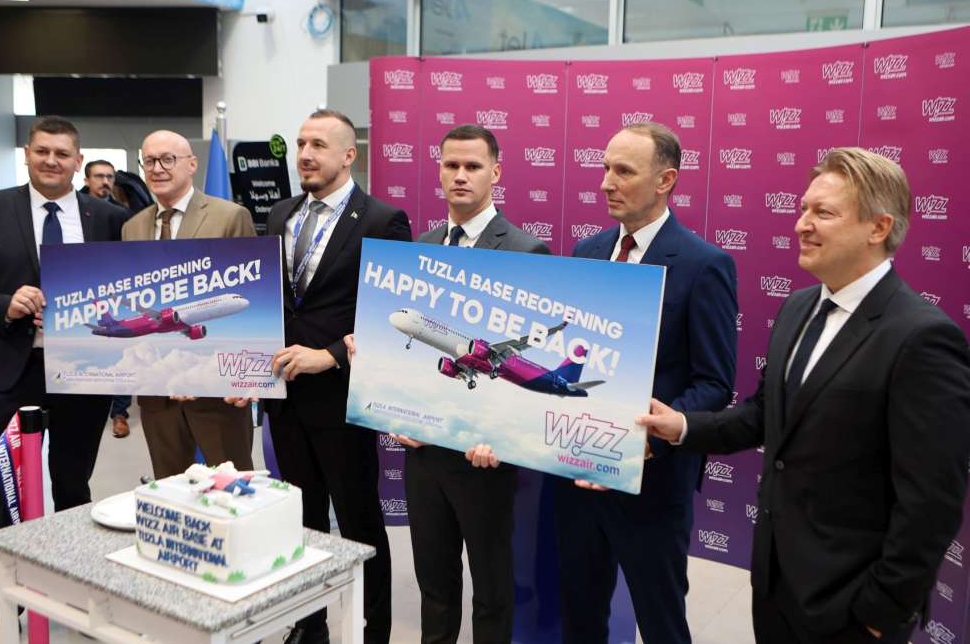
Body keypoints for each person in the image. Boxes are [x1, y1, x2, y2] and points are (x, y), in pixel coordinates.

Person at [638, 147, 970, 644]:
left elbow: (932, 501)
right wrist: (682, 426)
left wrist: (882, 610)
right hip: (775, 585)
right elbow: (764, 415)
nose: (801, 225)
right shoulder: (797, 308)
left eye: (823, 213)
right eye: (802, 209)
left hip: (853, 608)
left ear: (878, 228)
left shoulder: (922, 338)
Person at [554, 122, 738, 643]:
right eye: (605, 168)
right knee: (580, 618)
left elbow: (713, 383)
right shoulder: (588, 252)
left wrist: (645, 438)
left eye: (623, 171)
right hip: (577, 478)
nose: (606, 182)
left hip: (652, 483)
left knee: (661, 623)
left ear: (665, 180)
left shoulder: (704, 265)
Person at [0, 116, 127, 644]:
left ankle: (75, 596)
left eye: (62, 153)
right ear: (27, 154)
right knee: (6, 494)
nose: (51, 160)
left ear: (78, 161)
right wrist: (4, 304)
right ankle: (1, 610)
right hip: (9, 369)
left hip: (83, 372)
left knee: (72, 487)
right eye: (42, 151)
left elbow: (128, 284)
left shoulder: (109, 218)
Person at [389, 124, 549, 644]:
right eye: (451, 165)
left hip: (484, 460)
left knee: (491, 590)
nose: (460, 175)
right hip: (424, 453)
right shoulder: (421, 247)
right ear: (438, 171)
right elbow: (410, 361)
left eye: (473, 166)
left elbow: (528, 358)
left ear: (495, 173)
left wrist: (499, 436)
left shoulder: (526, 250)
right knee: (434, 586)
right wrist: (397, 414)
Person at [264, 109, 412, 644]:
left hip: (343, 399)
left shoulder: (382, 221)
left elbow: (391, 314)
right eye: (301, 143)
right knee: (300, 523)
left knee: (358, 524)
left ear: (349, 155)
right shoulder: (280, 213)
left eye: (318, 146)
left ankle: (373, 632)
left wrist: (329, 355)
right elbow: (274, 302)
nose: (305, 154)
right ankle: (311, 627)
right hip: (283, 398)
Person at [121, 130, 256, 478]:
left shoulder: (230, 216)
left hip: (217, 391)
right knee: (170, 488)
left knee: (231, 487)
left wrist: (245, 376)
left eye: (168, 159)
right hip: (156, 392)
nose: (157, 168)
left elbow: (252, 300)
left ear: (192, 164)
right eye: (149, 161)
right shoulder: (132, 227)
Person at [80, 159, 134, 436]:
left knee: (121, 349)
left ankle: (120, 413)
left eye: (110, 177)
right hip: (80, 289)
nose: (105, 182)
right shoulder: (72, 209)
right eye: (99, 176)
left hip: (115, 290)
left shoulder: (121, 214)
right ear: (86, 179)